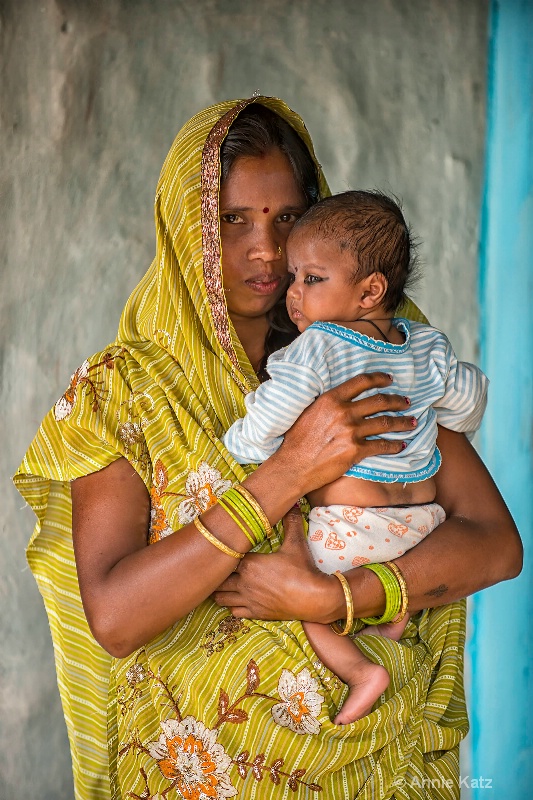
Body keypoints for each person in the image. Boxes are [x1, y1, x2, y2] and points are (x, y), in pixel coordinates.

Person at [13, 97, 521, 800]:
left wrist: (332, 597)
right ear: (184, 228)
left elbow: (495, 544)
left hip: (369, 772)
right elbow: (117, 619)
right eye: (231, 220)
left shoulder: (370, 349)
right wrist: (285, 474)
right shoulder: (123, 392)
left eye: (286, 219)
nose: (265, 249)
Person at [223, 189, 488, 724]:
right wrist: (437, 419)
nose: (293, 293)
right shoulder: (425, 344)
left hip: (352, 528)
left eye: (312, 279)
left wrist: (244, 443)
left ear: (370, 290)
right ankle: (392, 614)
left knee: (295, 592)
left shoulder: (320, 345)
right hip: (423, 524)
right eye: (295, 277)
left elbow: (274, 412)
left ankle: (360, 671)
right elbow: (470, 400)